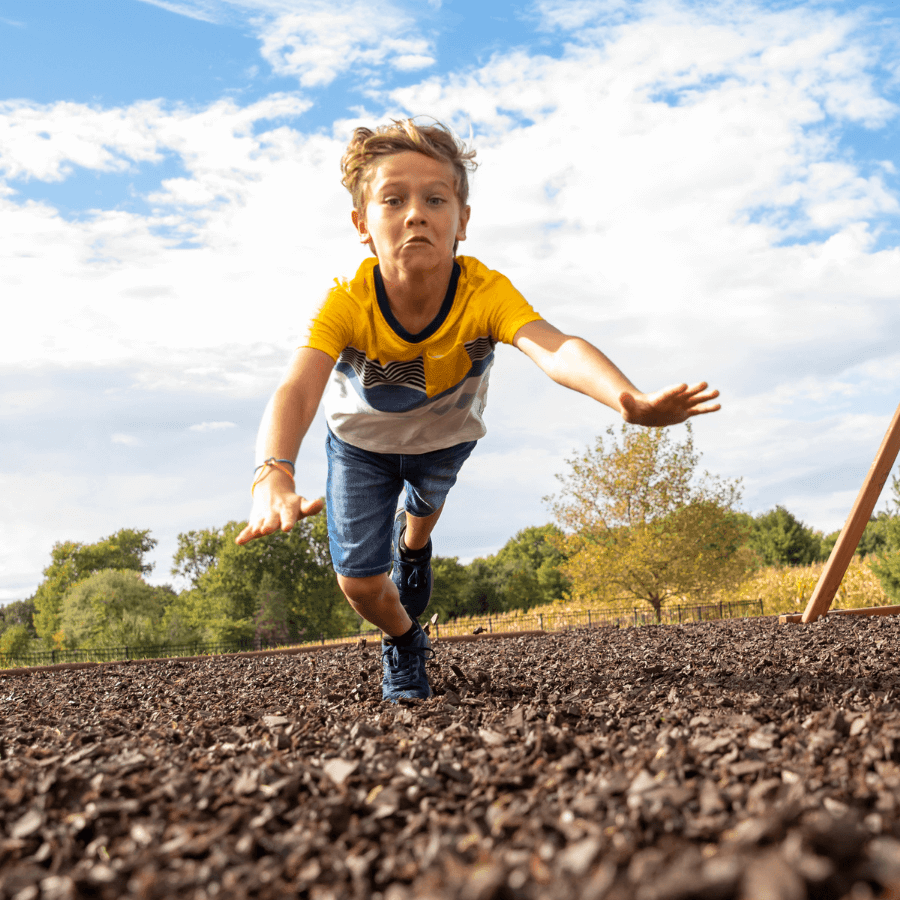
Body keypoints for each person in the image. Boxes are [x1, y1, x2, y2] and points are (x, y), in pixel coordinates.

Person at [236, 118, 721, 702]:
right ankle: (406, 639)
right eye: (393, 200)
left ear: (462, 220)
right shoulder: (346, 302)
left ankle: (414, 545)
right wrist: (274, 471)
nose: (416, 213)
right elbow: (298, 386)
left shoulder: (485, 293)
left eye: (435, 199)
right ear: (363, 224)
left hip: (444, 437)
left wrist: (627, 398)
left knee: (423, 506)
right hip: (361, 447)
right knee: (359, 584)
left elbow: (555, 346)